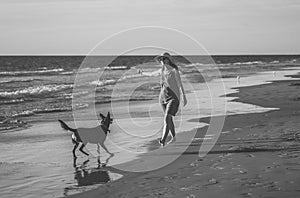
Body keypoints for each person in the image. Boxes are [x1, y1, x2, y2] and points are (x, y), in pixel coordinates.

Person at [155, 52, 187, 147]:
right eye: (161, 59)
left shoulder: (174, 71)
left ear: (169, 60)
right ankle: (174, 138)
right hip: (163, 98)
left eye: (165, 59)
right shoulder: (161, 71)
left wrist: (184, 97)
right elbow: (150, 74)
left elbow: (179, 85)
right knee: (169, 119)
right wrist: (142, 72)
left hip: (174, 98)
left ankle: (163, 140)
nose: (163, 61)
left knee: (167, 118)